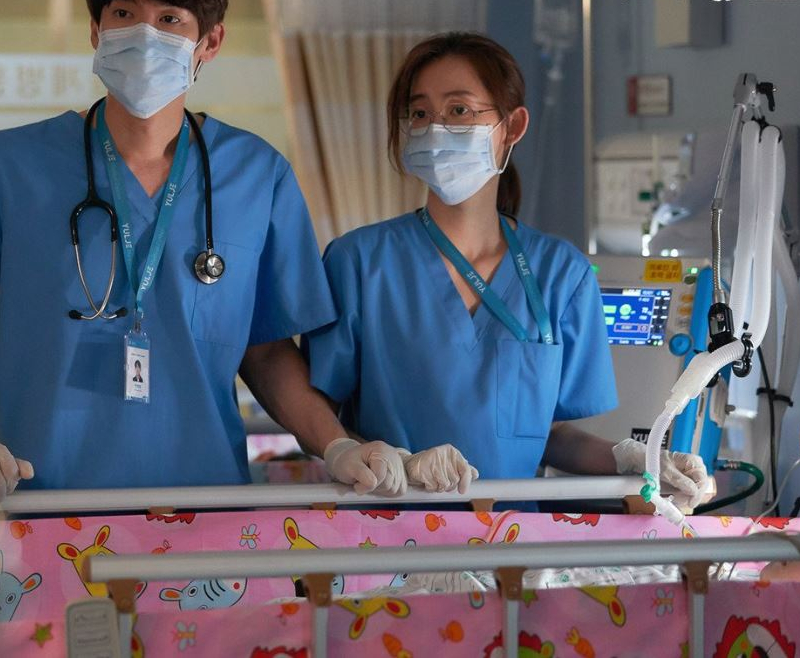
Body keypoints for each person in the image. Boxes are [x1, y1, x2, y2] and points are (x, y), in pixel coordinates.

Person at [0, 0, 406, 499]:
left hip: (203, 511)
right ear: (95, 30)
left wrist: (337, 445)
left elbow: (264, 351)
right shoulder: (6, 166)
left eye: (170, 19)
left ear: (209, 42)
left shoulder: (257, 177)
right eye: (123, 12)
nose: (143, 34)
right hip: (36, 509)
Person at [305, 32, 715, 509]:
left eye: (459, 109)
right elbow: (316, 418)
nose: (436, 127)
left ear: (512, 126)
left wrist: (640, 461)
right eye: (420, 113)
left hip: (513, 546)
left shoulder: (561, 274)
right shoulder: (359, 263)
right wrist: (381, 456)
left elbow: (554, 436)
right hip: (388, 537)